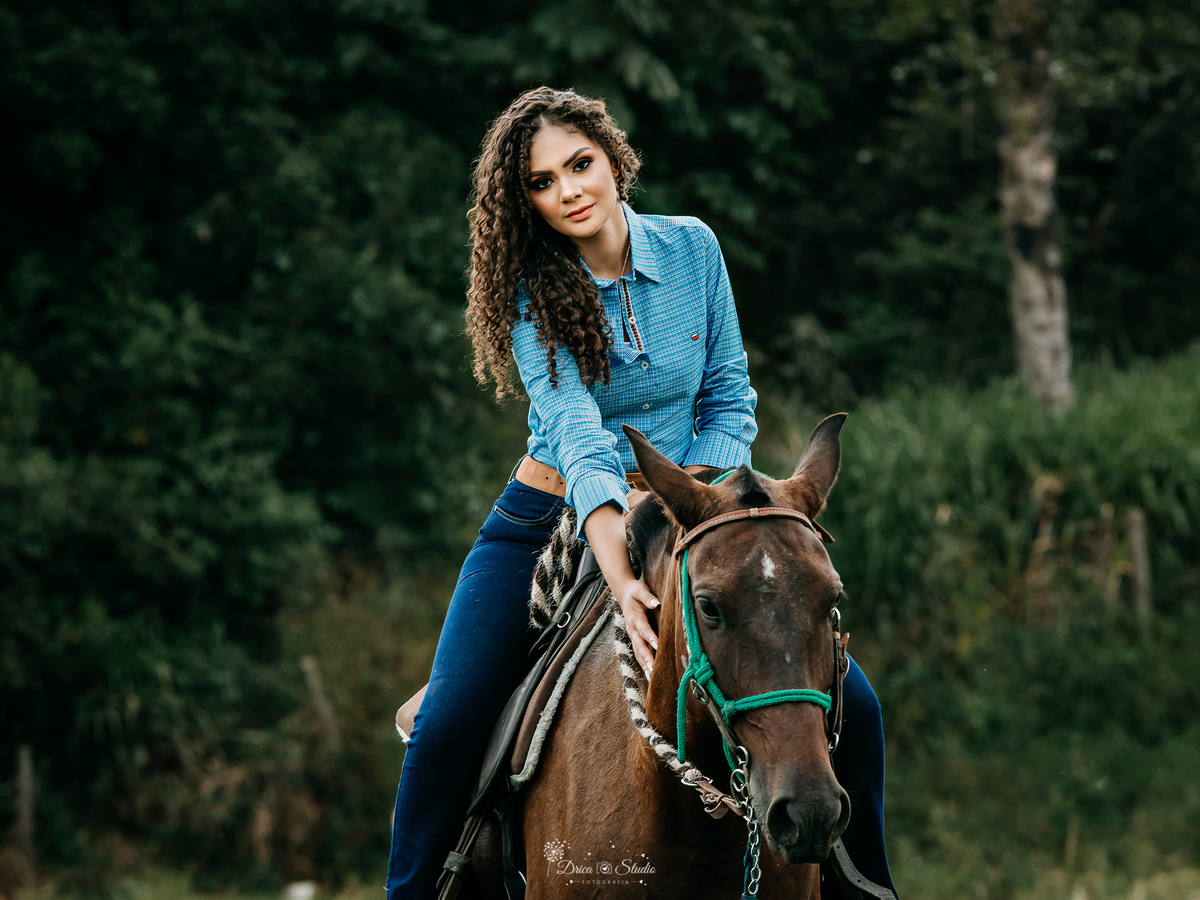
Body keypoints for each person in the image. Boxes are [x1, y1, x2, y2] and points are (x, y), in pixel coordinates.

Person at [386, 87, 896, 898]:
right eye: (542, 183)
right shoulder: (531, 290)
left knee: (854, 704)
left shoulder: (694, 248)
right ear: (526, 203)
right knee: (447, 725)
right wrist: (623, 576)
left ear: (613, 158)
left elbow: (728, 397)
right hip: (552, 515)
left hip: (697, 512)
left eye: (579, 164)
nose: (569, 191)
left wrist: (693, 500)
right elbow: (578, 432)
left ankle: (868, 886)